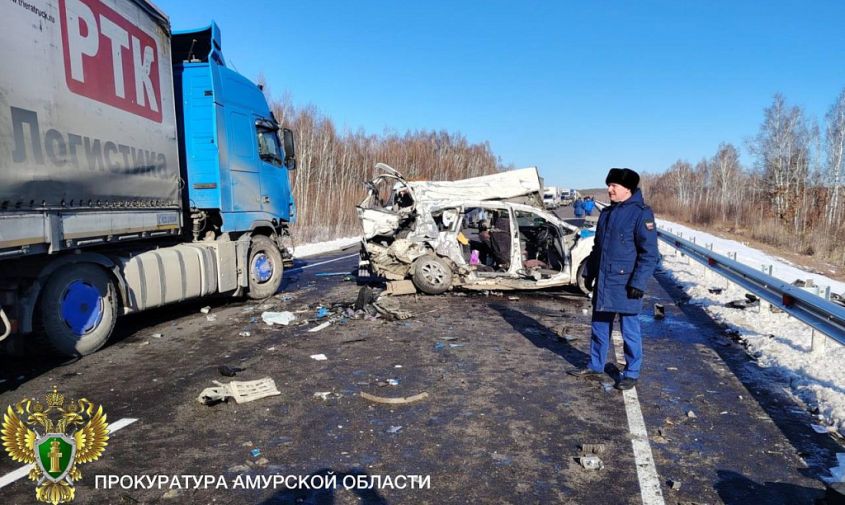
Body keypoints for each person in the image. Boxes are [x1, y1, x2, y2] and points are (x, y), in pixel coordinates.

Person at [567, 168, 659, 390]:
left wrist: (638, 283)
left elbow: (650, 254)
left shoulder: (641, 214)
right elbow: (599, 248)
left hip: (627, 284)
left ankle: (632, 372)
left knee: (630, 331)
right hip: (605, 281)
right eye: (609, 185)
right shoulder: (607, 214)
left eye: (613, 186)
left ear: (627, 189)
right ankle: (595, 365)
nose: (609, 189)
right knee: (599, 327)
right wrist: (589, 272)